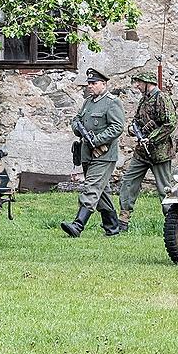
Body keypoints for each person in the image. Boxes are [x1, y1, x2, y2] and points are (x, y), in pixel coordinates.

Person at [61, 68, 125, 238]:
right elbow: (77, 120)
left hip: (103, 155)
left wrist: (96, 140)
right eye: (89, 83)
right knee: (101, 192)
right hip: (87, 154)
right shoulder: (88, 102)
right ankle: (112, 229)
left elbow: (117, 127)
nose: (90, 86)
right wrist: (78, 128)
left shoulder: (112, 102)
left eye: (94, 83)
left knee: (91, 187)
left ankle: (77, 225)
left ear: (103, 84)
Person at [117, 70, 177, 231]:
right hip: (142, 152)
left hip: (160, 153)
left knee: (166, 189)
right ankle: (122, 220)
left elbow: (170, 123)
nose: (136, 85)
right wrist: (132, 129)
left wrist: (151, 138)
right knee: (128, 182)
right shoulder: (144, 99)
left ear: (147, 82)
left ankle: (174, 224)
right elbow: (137, 120)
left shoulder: (161, 98)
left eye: (138, 82)